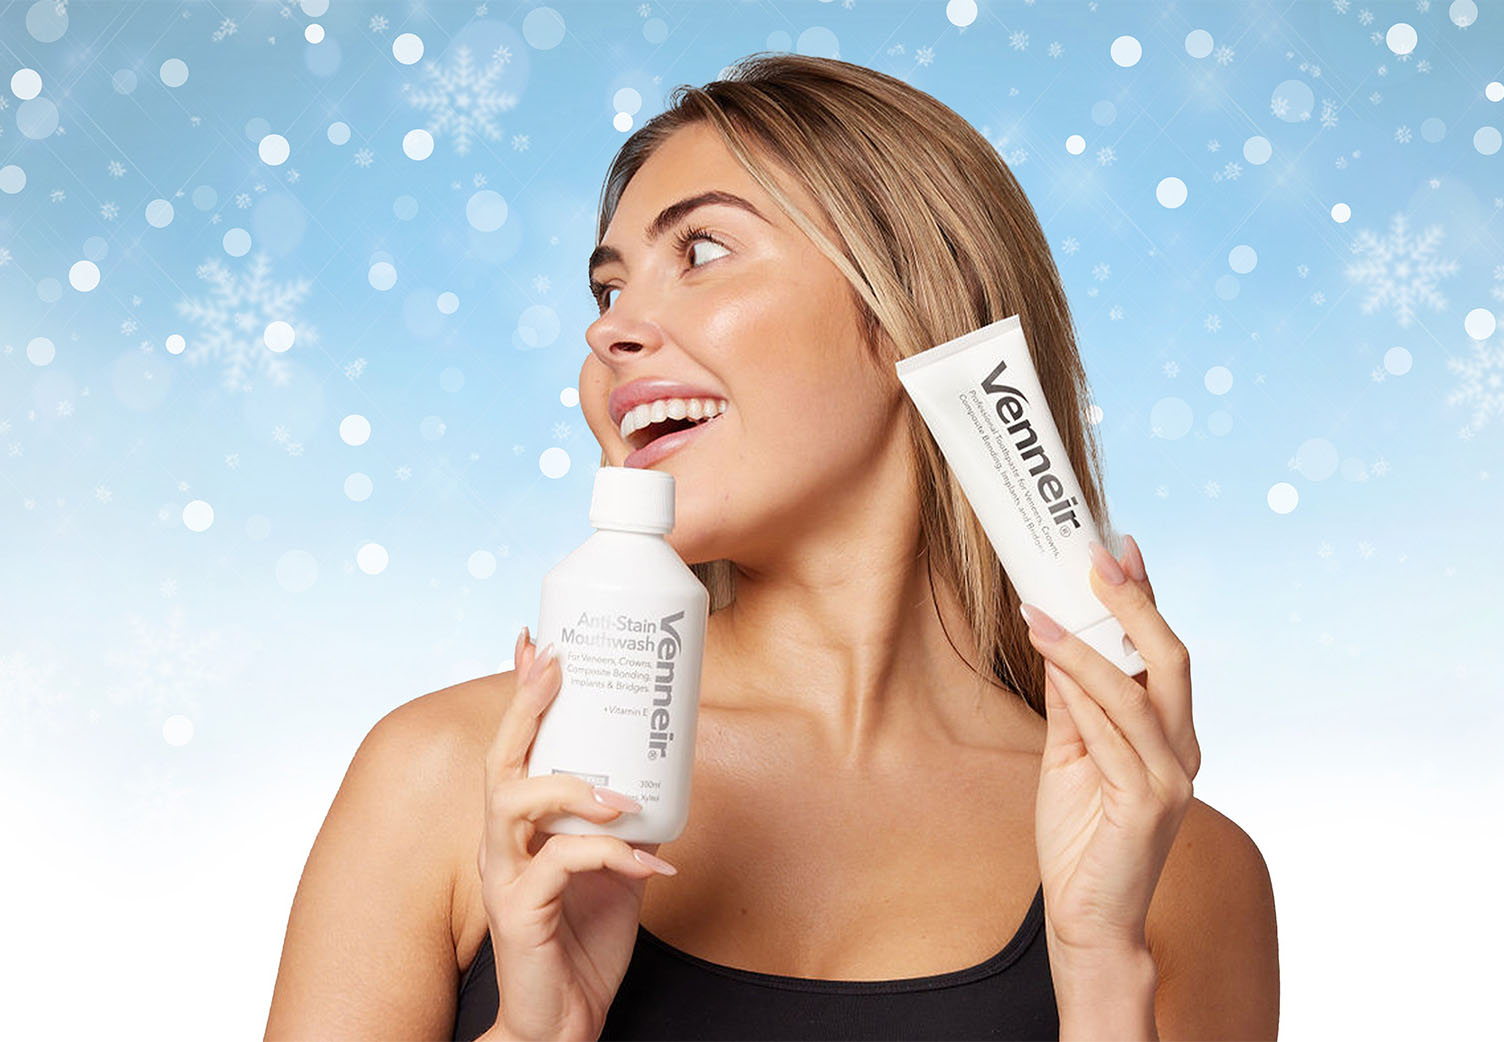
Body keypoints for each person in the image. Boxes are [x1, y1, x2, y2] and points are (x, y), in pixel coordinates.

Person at [264, 53, 1279, 1041]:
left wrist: (1099, 965)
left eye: (702, 251)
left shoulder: (1173, 864)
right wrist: (538, 1034)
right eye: (608, 290)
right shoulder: (458, 779)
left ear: (912, 308)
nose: (608, 335)